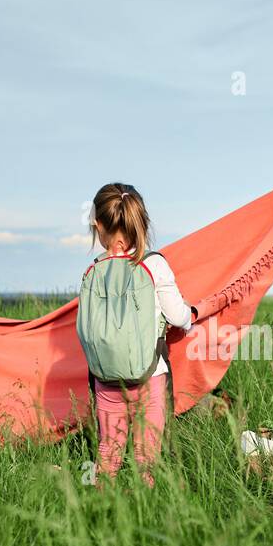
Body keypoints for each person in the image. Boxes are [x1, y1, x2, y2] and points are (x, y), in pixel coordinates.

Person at [77, 183, 195, 488]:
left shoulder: (93, 270)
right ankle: (145, 521)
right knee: (147, 458)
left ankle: (98, 513)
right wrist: (191, 318)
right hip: (150, 376)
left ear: (99, 226)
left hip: (105, 377)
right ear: (142, 223)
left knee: (107, 454)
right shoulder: (153, 264)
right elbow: (178, 315)